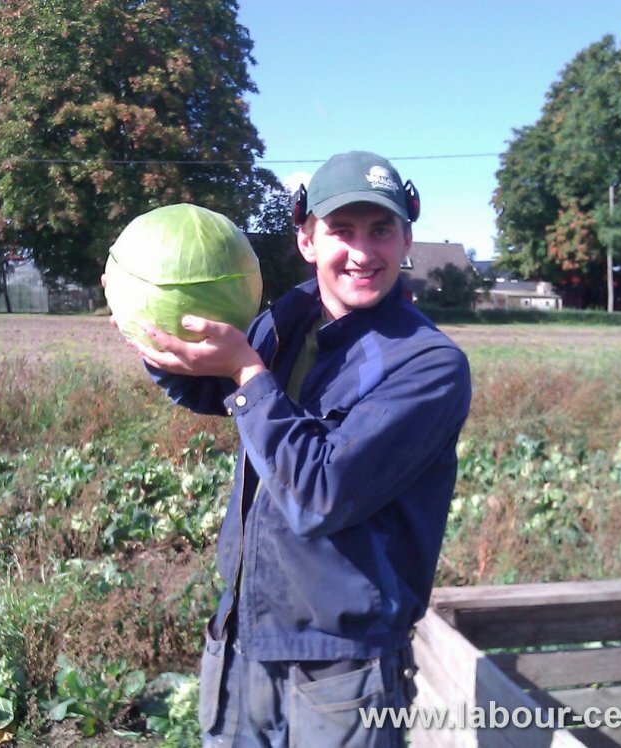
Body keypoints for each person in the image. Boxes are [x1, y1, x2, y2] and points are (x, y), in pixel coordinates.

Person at [125, 150, 471, 747]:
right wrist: (148, 327)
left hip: (342, 669)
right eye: (342, 230)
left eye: (381, 230)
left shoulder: (427, 364)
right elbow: (212, 383)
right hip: (244, 642)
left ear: (406, 238)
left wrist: (249, 374)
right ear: (307, 239)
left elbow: (321, 493)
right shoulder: (290, 318)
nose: (362, 253)